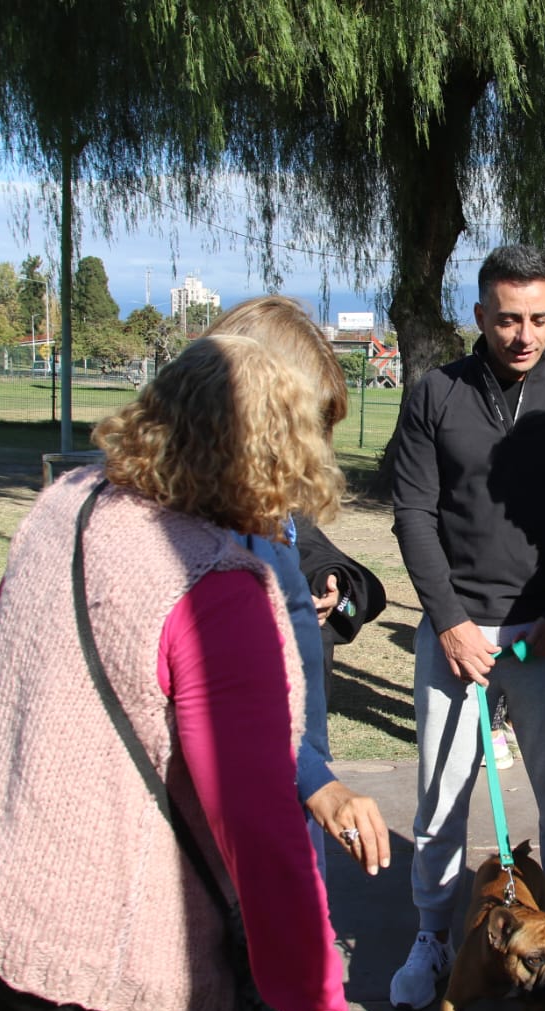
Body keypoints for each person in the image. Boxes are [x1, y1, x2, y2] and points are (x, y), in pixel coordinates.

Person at [0, 335, 350, 1011]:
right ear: (279, 453)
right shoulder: (217, 589)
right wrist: (316, 999)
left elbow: (0, 654)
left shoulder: (66, 502)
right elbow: (257, 824)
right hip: (111, 960)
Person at [390, 244, 545, 1011]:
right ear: (479, 316)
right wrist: (451, 623)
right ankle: (433, 936)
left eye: (539, 318)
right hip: (457, 634)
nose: (524, 335)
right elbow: (414, 513)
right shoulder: (435, 393)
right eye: (507, 319)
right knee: (441, 799)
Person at [206, 296, 390, 879]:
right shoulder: (202, 536)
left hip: (293, 790)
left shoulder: (269, 507)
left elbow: (321, 555)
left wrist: (327, 588)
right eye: (312, 427)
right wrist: (319, 784)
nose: (319, 452)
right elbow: (219, 708)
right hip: (245, 820)